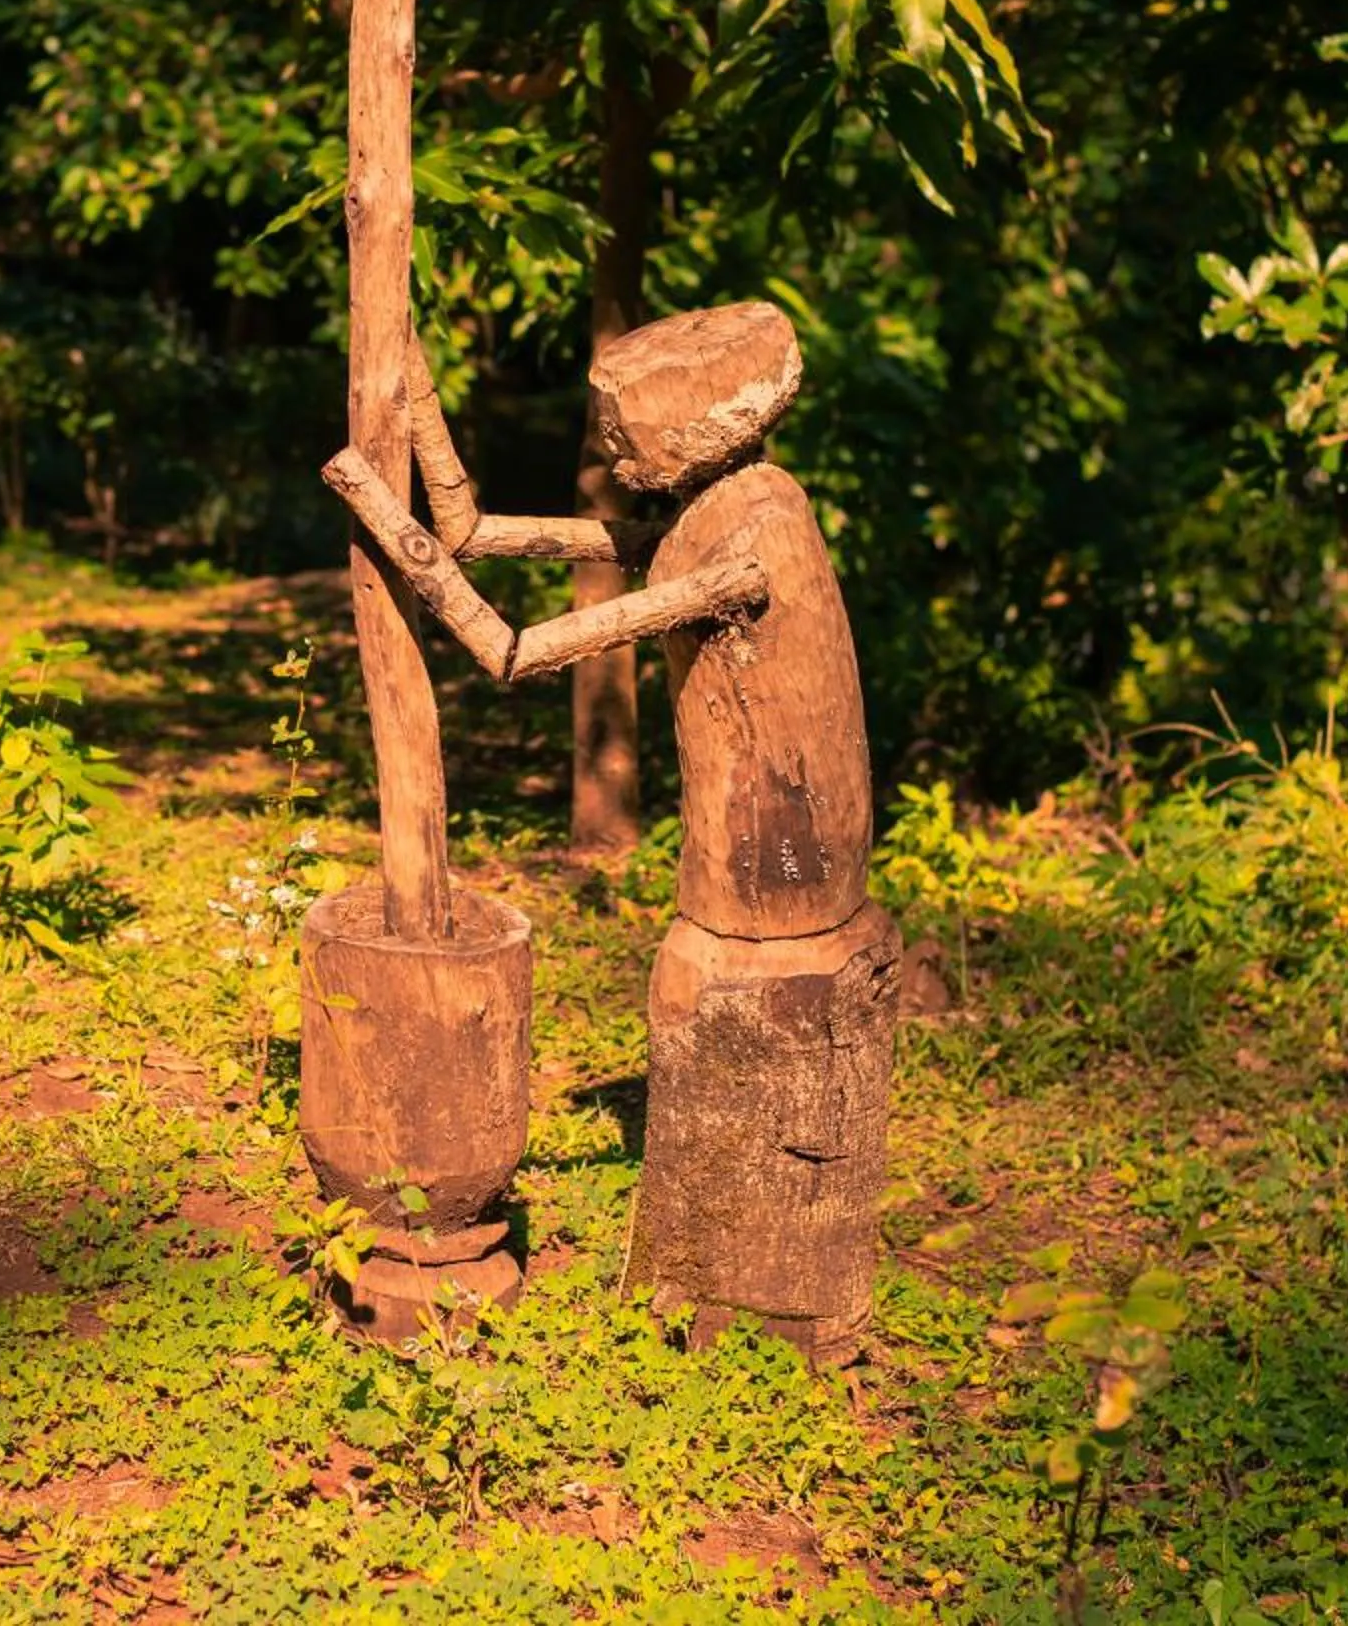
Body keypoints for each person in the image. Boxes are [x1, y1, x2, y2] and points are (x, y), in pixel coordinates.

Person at [323, 299, 917, 1361]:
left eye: (625, 427)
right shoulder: (718, 512)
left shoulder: (747, 550)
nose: (608, 440)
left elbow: (509, 649)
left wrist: (371, 500)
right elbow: (476, 533)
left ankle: (758, 1319)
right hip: (748, 895)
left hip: (779, 889)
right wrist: (405, 370)